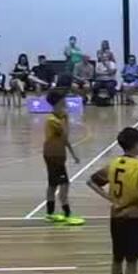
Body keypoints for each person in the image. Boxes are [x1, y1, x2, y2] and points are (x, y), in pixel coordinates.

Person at [86, 127, 138, 274]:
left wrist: (109, 198)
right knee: (132, 260)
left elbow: (91, 181)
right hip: (133, 217)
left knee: (117, 256)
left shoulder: (114, 163)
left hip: (115, 216)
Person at [42, 89, 83, 226]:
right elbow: (65, 136)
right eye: (64, 99)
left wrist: (73, 155)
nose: (66, 101)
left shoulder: (57, 118)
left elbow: (65, 141)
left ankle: (50, 213)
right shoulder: (53, 120)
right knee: (64, 184)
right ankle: (67, 214)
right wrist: (67, 119)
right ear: (59, 101)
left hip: (56, 154)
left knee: (53, 184)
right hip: (54, 155)